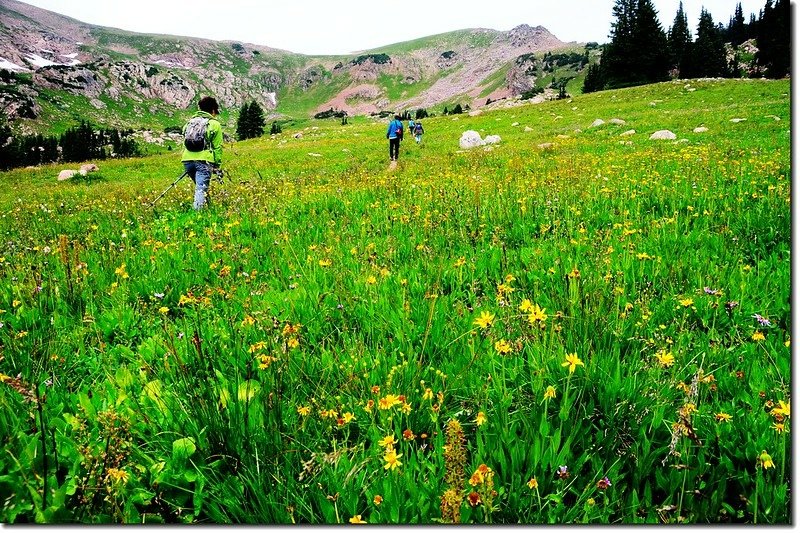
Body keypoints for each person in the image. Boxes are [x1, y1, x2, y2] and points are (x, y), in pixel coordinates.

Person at [181, 96, 223, 210]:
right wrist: (217, 165)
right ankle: (197, 215)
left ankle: (209, 209)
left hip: (187, 160)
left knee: (201, 186)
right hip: (204, 160)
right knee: (201, 188)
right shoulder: (214, 124)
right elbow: (217, 147)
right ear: (213, 110)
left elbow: (184, 134)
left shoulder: (190, 122)